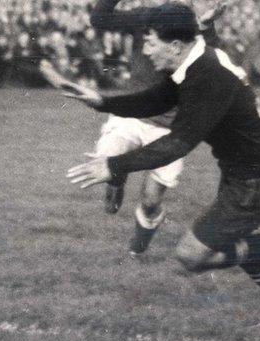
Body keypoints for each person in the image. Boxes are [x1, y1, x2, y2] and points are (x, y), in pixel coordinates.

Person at [64, 2, 260, 325]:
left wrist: (114, 167)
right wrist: (101, 101)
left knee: (191, 256)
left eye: (150, 43)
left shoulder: (206, 75)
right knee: (221, 247)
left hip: (254, 180)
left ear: (175, 46)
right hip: (250, 172)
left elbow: (178, 142)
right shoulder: (197, 61)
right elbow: (156, 99)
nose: (146, 52)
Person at [48, 0, 225, 256]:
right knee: (108, 156)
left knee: (151, 201)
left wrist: (207, 27)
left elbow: (215, 62)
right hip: (132, 113)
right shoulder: (145, 17)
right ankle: (116, 182)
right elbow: (99, 20)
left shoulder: (192, 27)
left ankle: (138, 249)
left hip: (168, 127)